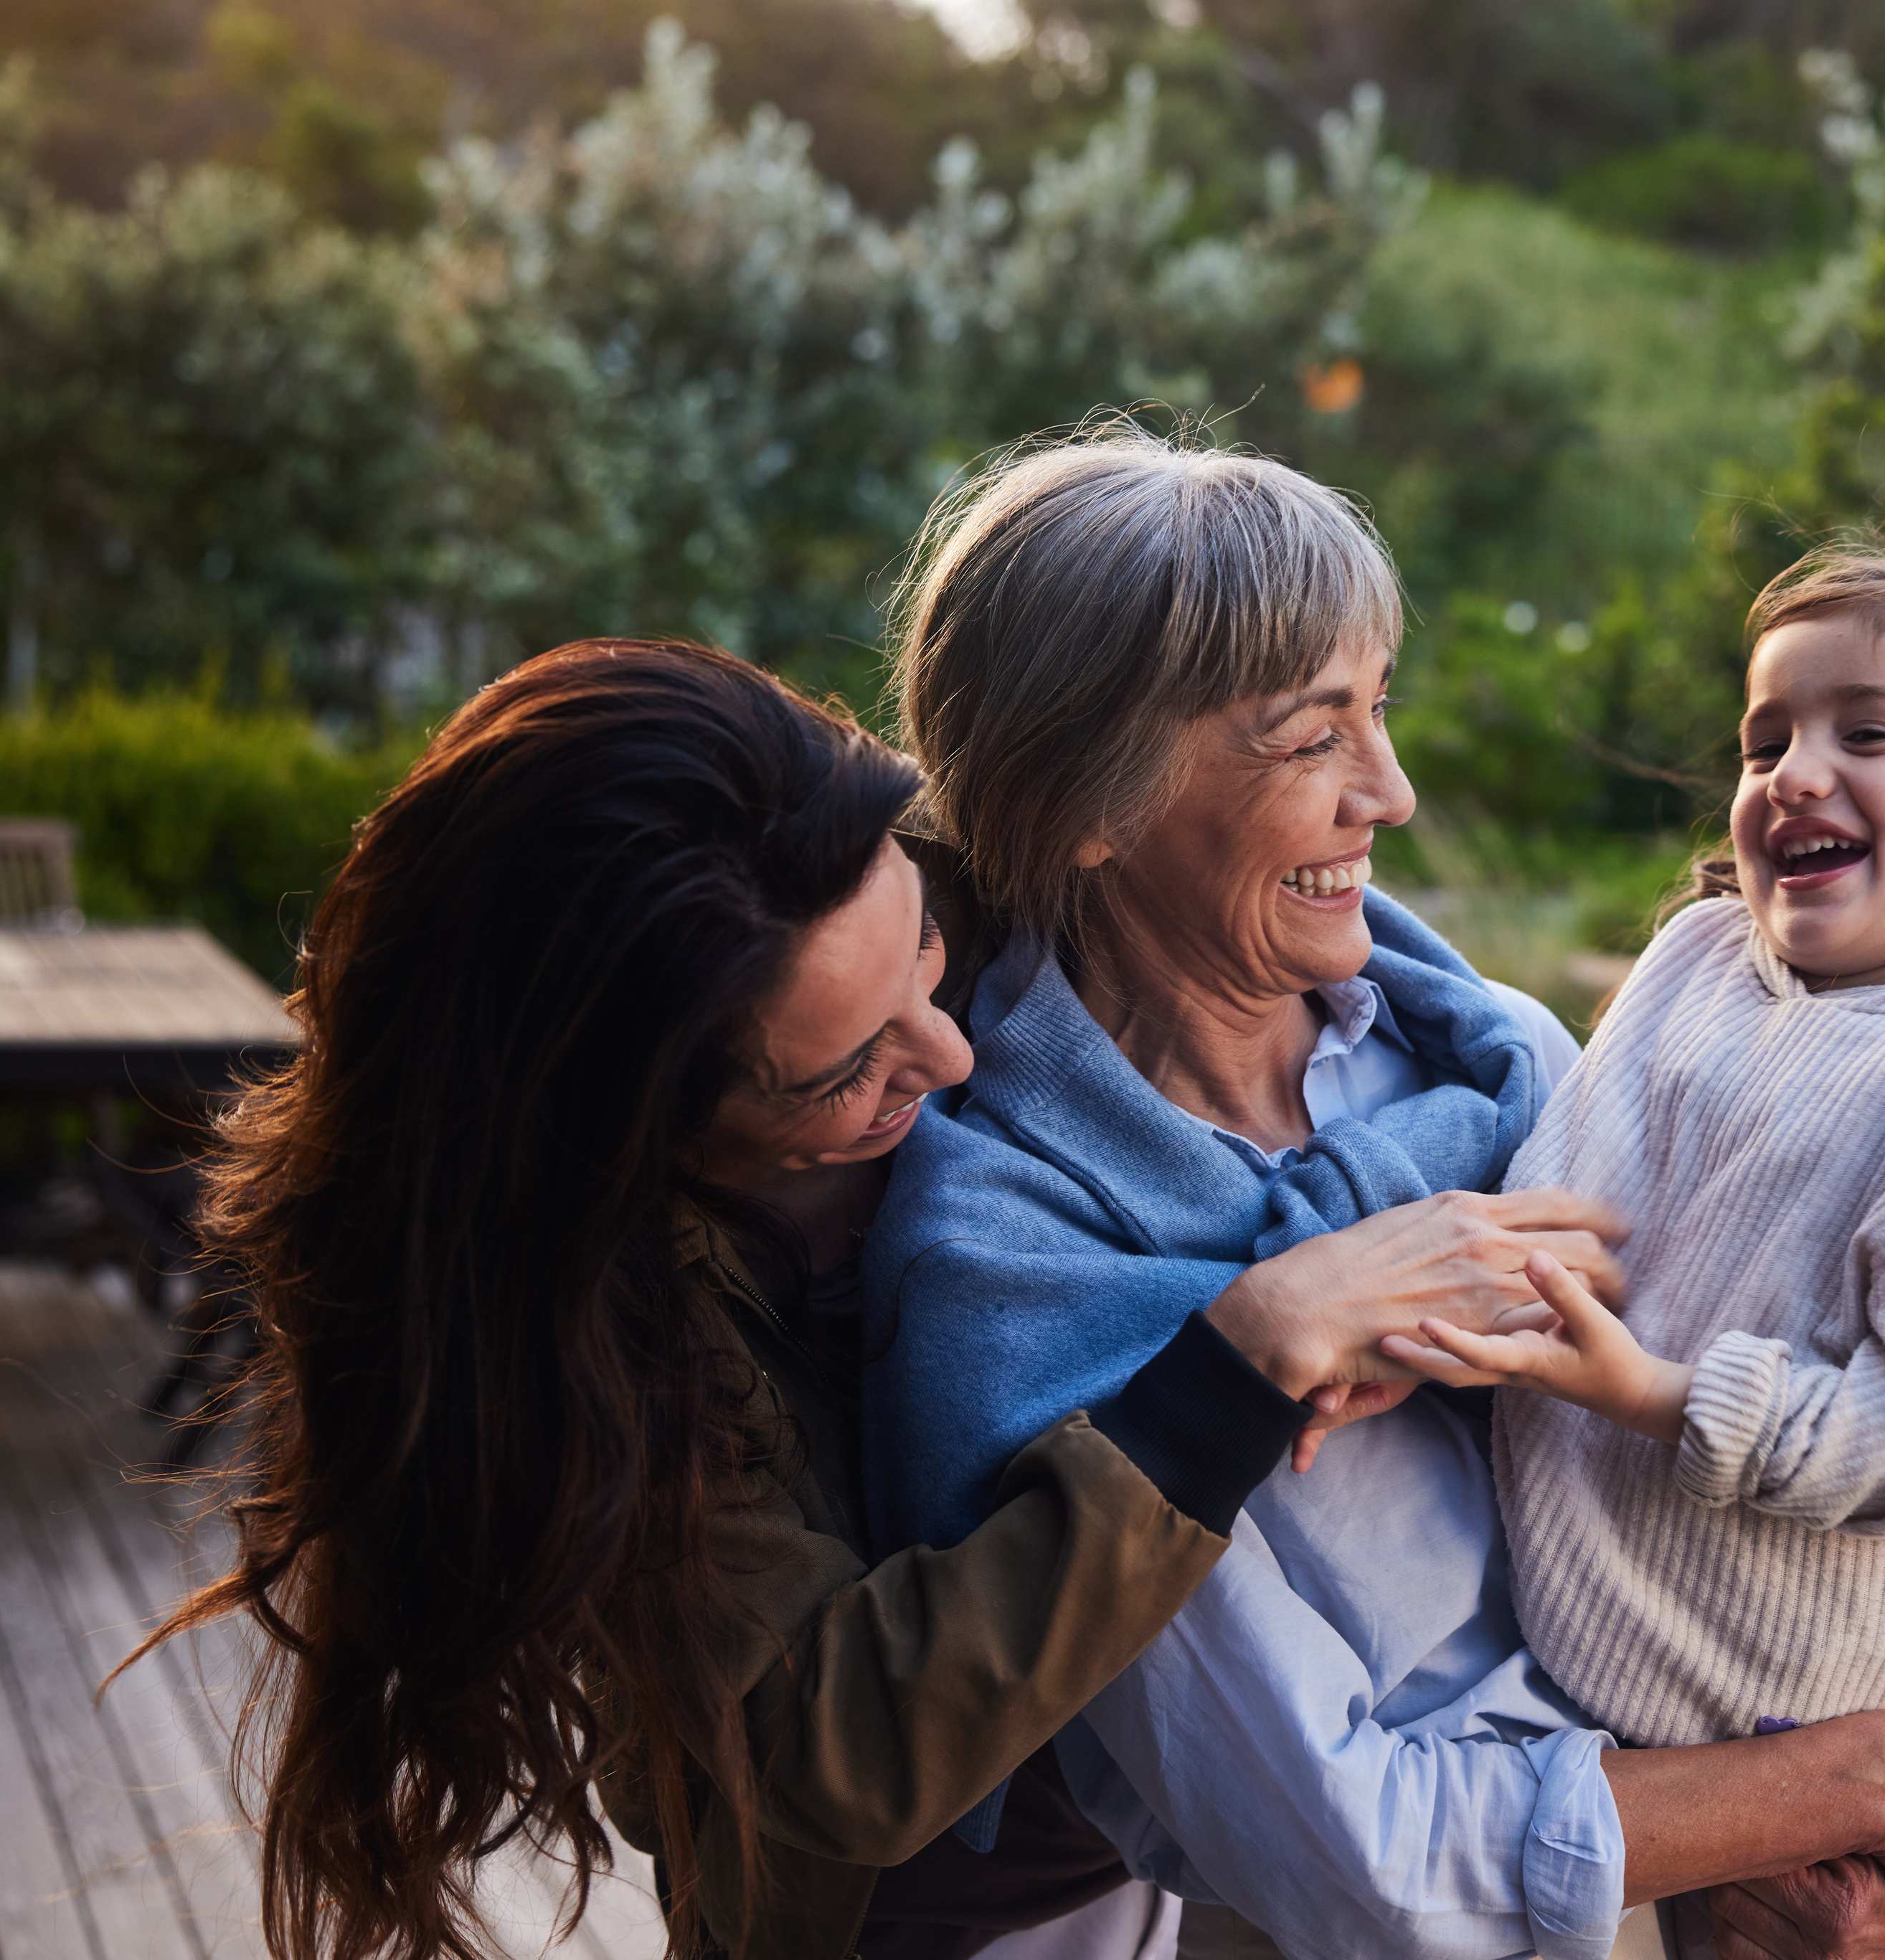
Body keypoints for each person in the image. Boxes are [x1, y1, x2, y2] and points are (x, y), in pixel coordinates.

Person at [127, 639, 1634, 1960]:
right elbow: (827, 1744)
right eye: (844, 1070)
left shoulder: (930, 881)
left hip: (1183, 1846)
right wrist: (1228, 1368)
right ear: (626, 1120)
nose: (953, 1054)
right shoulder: (600, 1336)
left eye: (927, 957)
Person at [866, 430, 1885, 1960]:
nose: (1394, 792)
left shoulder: (1491, 1064)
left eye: (1381, 710)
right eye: (1313, 736)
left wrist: (1809, 1850)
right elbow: (1371, 1870)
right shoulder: (1028, 1279)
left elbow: (1757, 1471)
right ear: (1088, 801)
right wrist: (1856, 1787)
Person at [1381, 551, 1885, 1794]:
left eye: (1867, 733)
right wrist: (1404, 1335)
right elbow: (1559, 1205)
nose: (1795, 775)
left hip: (1813, 1749)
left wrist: (1653, 1392)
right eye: (1767, 745)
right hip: (1574, 1700)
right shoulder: (1701, 962)